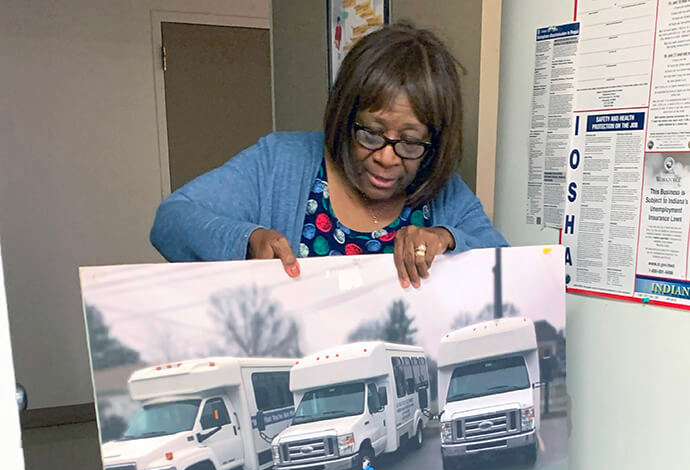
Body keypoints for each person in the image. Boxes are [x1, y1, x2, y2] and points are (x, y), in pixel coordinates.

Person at [150, 22, 507, 289]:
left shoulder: (444, 192)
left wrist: (446, 238)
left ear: (434, 142)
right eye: (371, 134)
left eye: (411, 143)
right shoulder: (280, 162)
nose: (387, 158)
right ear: (344, 117)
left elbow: (506, 265)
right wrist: (247, 242)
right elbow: (172, 220)